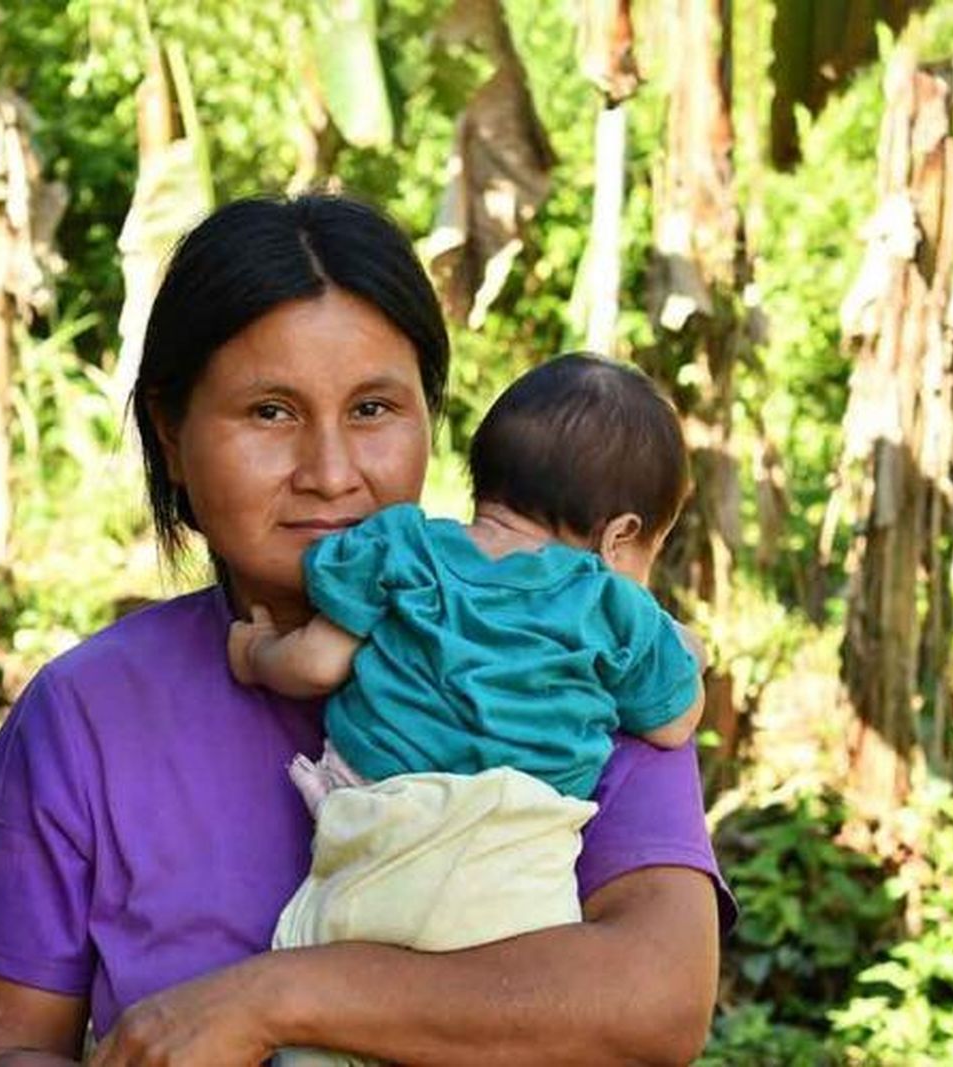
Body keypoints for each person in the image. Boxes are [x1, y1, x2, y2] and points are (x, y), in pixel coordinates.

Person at [0, 194, 735, 1067]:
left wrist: (274, 998)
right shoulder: (88, 713)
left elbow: (657, 1002)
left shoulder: (575, 668)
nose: (332, 474)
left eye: (374, 409)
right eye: (271, 411)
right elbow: (3, 1053)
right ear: (172, 435)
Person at [225, 355, 708, 1067]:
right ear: (619, 538)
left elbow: (316, 665)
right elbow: (673, 721)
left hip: (373, 849)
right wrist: (685, 648)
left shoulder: (405, 548)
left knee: (318, 1043)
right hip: (508, 885)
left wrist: (254, 653)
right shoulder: (612, 606)